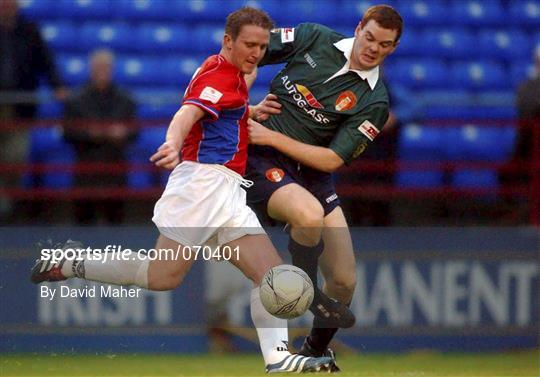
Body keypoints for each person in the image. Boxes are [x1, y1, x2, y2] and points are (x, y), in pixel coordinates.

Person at [31, 7, 337, 373]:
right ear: (228, 41)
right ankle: (68, 263)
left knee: (270, 274)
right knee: (162, 277)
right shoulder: (221, 75)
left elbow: (219, 113)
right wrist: (173, 143)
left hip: (227, 189)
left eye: (261, 46)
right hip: (202, 185)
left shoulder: (232, 74)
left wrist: (246, 112)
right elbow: (187, 114)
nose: (256, 53)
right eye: (249, 45)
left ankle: (278, 359)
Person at [245, 5, 403, 371]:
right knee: (308, 215)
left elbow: (332, 160)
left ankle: (314, 353)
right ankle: (305, 290)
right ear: (359, 27)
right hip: (261, 158)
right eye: (369, 37)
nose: (373, 48)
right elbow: (249, 52)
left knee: (345, 279)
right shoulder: (314, 37)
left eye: (384, 44)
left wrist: (272, 135)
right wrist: (245, 104)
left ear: (393, 48)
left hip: (312, 173)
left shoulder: (375, 102)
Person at [0, 0, 67, 219]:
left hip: (20, 109)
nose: (6, 6)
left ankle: (8, 205)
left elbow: (45, 61)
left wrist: (57, 86)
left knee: (16, 157)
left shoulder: (29, 30)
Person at [63, 49, 136, 224]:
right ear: (90, 69)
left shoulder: (125, 99)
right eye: (98, 67)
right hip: (86, 168)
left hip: (115, 168)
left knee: (116, 225)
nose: (102, 71)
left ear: (112, 69)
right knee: (83, 226)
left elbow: (135, 132)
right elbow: (67, 132)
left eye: (106, 67)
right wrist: (90, 134)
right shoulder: (75, 100)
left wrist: (122, 134)